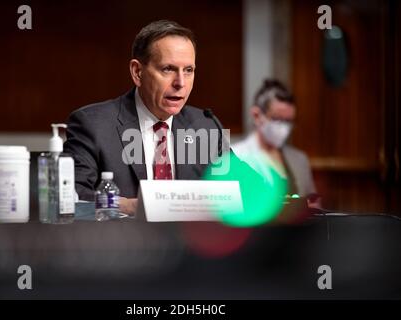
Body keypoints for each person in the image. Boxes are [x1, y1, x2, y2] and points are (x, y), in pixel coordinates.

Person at [63, 20, 224, 215]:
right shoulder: (93, 124)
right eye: (168, 69)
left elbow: (244, 186)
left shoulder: (205, 125)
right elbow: (71, 196)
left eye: (188, 70)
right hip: (123, 241)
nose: (180, 83)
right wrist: (128, 206)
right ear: (137, 72)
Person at [232, 79, 321, 208]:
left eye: (288, 121)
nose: (284, 128)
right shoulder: (234, 157)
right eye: (277, 119)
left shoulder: (299, 160)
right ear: (257, 115)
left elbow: (315, 207)